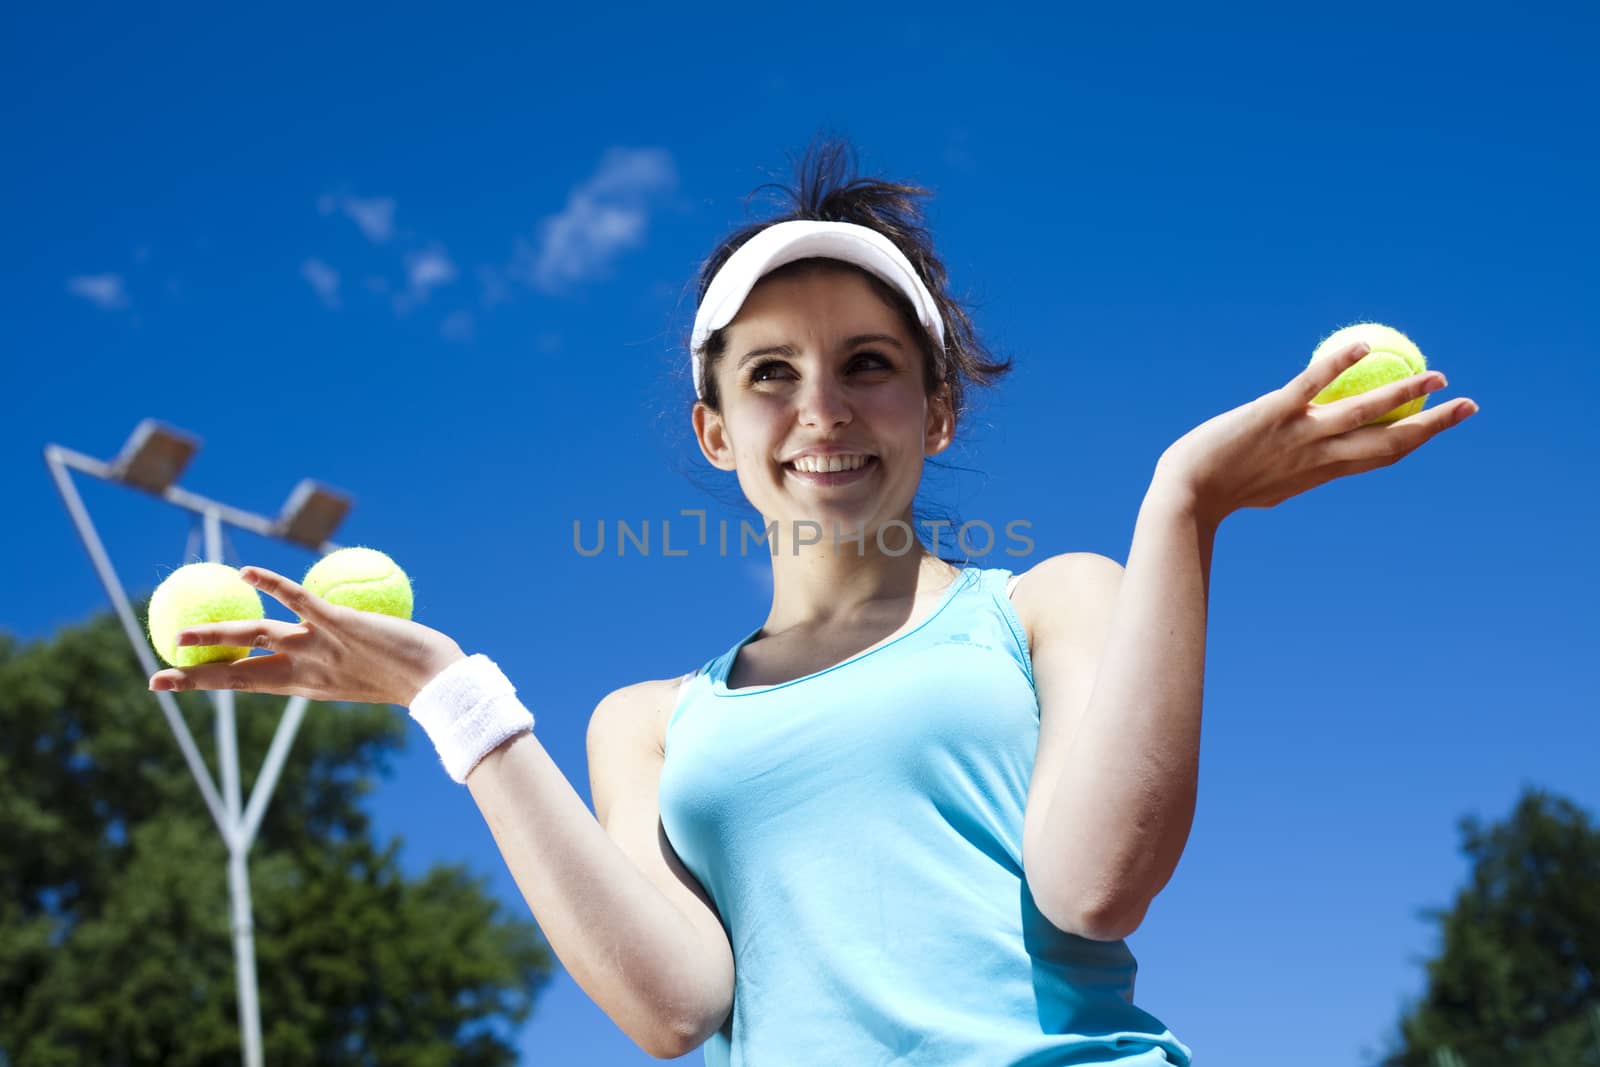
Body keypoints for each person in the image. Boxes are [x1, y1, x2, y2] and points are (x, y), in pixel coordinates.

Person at [147, 138, 1479, 1064]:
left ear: (940, 410)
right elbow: (675, 1012)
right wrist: (451, 695)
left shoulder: (1055, 606)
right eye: (770, 375)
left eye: (870, 365)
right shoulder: (645, 727)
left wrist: (1182, 505)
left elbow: (1093, 890)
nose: (824, 412)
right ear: (715, 430)